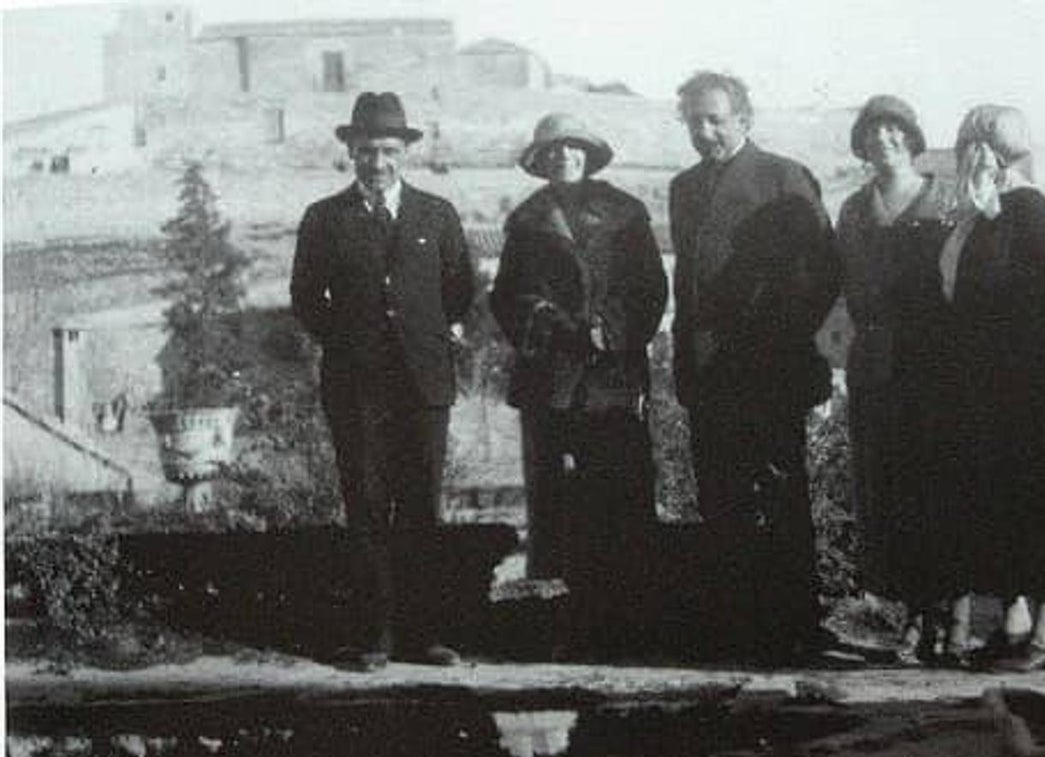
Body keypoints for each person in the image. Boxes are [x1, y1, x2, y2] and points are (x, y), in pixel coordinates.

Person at [291, 92, 476, 669]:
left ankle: (424, 636)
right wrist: (351, 343)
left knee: (421, 506)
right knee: (367, 505)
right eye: (367, 151)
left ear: (405, 152)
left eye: (389, 151)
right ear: (351, 151)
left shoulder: (436, 214)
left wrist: (427, 338)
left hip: (424, 385)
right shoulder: (324, 219)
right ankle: (374, 637)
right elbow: (306, 298)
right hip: (356, 387)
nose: (378, 163)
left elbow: (460, 290)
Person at [669, 71, 842, 659]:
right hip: (707, 369)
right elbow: (686, 283)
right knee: (720, 496)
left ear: (744, 119)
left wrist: (777, 336)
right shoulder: (683, 187)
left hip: (769, 368)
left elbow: (821, 272)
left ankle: (795, 627)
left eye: (715, 119)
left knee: (779, 494)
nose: (704, 131)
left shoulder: (782, 176)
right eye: (694, 120)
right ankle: (735, 625)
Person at [490, 113, 667, 656]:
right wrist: (550, 323)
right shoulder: (527, 221)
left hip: (613, 377)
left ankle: (630, 625)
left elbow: (650, 288)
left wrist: (610, 330)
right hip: (551, 378)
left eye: (573, 148)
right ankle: (573, 623)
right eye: (552, 150)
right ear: (539, 160)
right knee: (560, 502)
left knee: (619, 495)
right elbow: (505, 297)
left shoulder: (625, 213)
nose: (563, 156)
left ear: (588, 155)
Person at [942, 104, 1045, 672]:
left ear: (1001, 157)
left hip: (1025, 383)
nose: (975, 159)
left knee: (1035, 503)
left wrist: (1015, 321)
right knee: (993, 502)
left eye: (983, 150)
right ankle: (1014, 623)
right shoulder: (976, 213)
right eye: (968, 149)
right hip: (981, 383)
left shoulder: (1026, 206)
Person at [837, 95, 972, 665]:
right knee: (891, 491)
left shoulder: (947, 200)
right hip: (876, 364)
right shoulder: (853, 210)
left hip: (937, 362)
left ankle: (956, 619)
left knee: (942, 486)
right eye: (873, 131)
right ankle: (915, 617)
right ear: (861, 143)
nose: (884, 140)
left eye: (894, 130)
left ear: (912, 139)